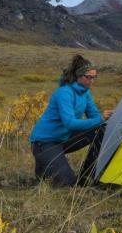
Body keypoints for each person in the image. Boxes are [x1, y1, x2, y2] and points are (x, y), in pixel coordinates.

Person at [29, 54, 113, 187]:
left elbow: (95, 116)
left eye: (94, 77)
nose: (92, 81)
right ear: (78, 76)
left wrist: (108, 117)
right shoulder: (64, 93)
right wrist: (100, 118)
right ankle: (44, 166)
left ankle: (87, 176)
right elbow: (70, 123)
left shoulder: (86, 93)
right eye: (88, 77)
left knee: (101, 129)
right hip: (45, 142)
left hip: (64, 139)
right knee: (67, 183)